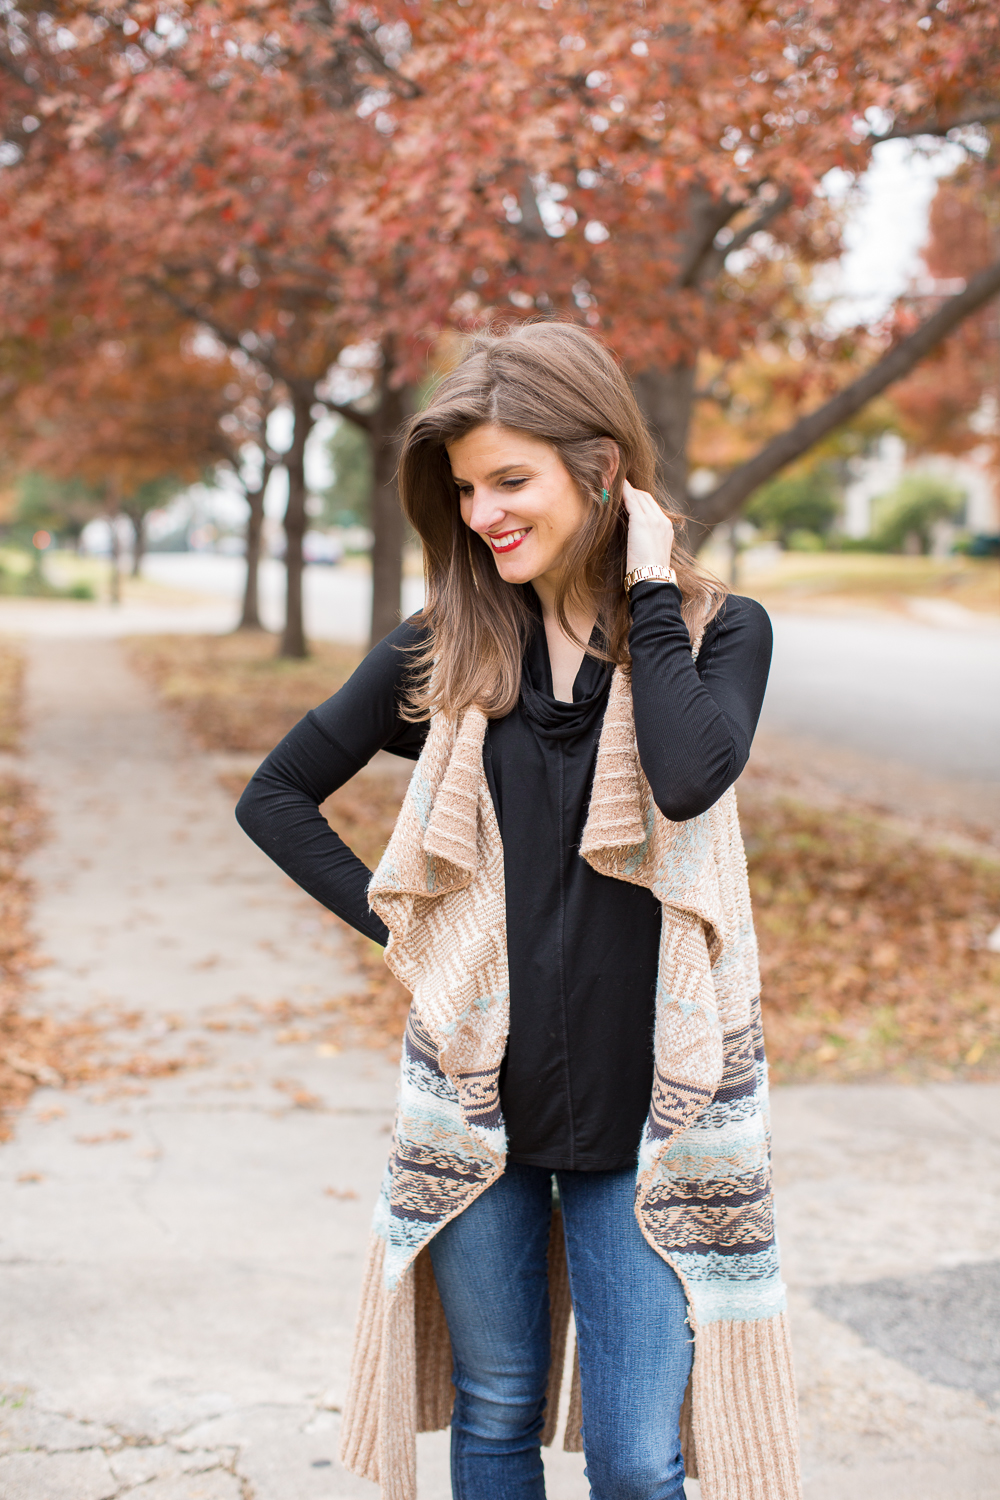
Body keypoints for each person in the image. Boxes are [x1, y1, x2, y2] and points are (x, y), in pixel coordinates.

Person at [236, 322, 801, 1500]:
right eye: (465, 490)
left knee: (641, 1462)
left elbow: (692, 775)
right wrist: (414, 934)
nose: (484, 512)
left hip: (650, 1114)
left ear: (600, 471)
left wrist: (645, 586)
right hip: (482, 1103)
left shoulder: (712, 634)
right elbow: (276, 796)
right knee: (493, 1412)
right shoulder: (445, 653)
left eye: (510, 480)